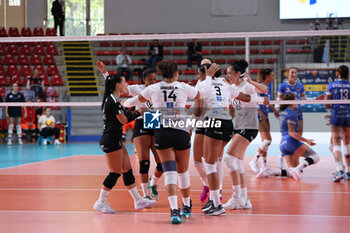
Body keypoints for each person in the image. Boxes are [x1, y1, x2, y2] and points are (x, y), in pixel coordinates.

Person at [123, 61, 213, 224]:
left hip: (162, 132)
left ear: (161, 75)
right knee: (183, 171)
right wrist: (208, 77)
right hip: (181, 130)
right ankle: (186, 206)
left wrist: (131, 106)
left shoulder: (153, 88)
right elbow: (204, 93)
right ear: (176, 74)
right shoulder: (183, 86)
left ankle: (174, 211)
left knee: (170, 172)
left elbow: (129, 102)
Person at [198, 61, 260, 216]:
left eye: (199, 74)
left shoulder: (204, 84)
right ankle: (237, 198)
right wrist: (258, 100)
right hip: (227, 124)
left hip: (214, 122)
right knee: (219, 160)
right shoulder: (226, 84)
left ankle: (216, 203)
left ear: (204, 74)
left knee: (209, 163)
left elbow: (198, 108)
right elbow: (245, 98)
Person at [97, 60, 163, 199]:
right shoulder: (137, 89)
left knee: (161, 163)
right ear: (143, 79)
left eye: (154, 79)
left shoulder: (159, 88)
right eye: (149, 79)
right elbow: (117, 88)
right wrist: (105, 73)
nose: (152, 82)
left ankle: (153, 183)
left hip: (155, 119)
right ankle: (145, 196)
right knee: (144, 161)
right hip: (141, 121)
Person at [222, 60, 269, 210]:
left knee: (229, 158)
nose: (227, 75)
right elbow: (233, 109)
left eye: (230, 73)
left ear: (237, 74)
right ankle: (245, 199)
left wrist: (251, 81)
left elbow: (264, 90)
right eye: (227, 73)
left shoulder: (247, 86)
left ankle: (237, 197)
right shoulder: (231, 88)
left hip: (249, 127)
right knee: (235, 162)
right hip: (239, 127)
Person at [256, 93, 320, 180]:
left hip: (283, 144)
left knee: (292, 172)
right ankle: (297, 169)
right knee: (315, 157)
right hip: (291, 141)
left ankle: (269, 172)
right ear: (291, 102)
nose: (297, 101)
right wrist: (306, 140)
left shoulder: (282, 113)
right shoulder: (291, 114)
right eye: (296, 99)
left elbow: (276, 114)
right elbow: (292, 133)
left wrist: (272, 107)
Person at [249, 69, 279, 173]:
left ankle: (264, 166)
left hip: (265, 114)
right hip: (259, 114)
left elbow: (267, 101)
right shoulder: (260, 86)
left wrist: (274, 110)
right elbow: (255, 101)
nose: (273, 77)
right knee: (267, 140)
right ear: (267, 76)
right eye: (272, 75)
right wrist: (260, 113)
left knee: (265, 142)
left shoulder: (268, 87)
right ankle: (254, 160)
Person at [277, 67, 305, 169]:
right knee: (286, 136)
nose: (294, 74)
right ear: (288, 74)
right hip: (287, 114)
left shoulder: (300, 85)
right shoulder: (283, 86)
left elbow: (304, 99)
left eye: (295, 73)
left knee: (298, 136)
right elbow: (279, 100)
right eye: (292, 72)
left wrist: (315, 99)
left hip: (298, 113)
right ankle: (281, 157)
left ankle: (296, 162)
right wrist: (278, 112)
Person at [326, 65, 350, 181]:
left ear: (338, 74)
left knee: (336, 143)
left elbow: (327, 103)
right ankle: (348, 171)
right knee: (347, 142)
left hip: (336, 115)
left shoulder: (332, 85)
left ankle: (339, 170)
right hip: (348, 115)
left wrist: (333, 106)